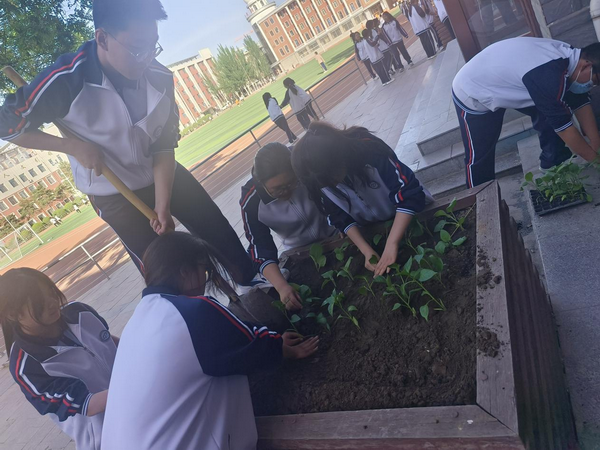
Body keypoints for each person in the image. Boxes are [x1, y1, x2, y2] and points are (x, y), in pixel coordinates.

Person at [0, 0, 258, 287]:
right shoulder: (65, 80)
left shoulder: (160, 78)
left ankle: (254, 281)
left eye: (153, 46)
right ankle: (192, 311)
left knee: (216, 228)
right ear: (102, 38)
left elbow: (163, 146)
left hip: (161, 172)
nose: (147, 58)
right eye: (137, 49)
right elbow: (7, 126)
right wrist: (73, 147)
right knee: (162, 269)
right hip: (113, 194)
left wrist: (162, 205)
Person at [101, 232, 319, 450]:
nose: (206, 280)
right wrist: (282, 348)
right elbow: (254, 346)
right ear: (185, 272)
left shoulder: (136, 322)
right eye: (204, 270)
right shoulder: (193, 311)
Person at [452, 38, 600, 188]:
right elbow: (565, 129)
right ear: (587, 65)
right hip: (473, 89)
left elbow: (580, 103)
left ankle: (553, 164)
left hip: (505, 78)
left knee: (552, 111)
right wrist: (596, 162)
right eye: (596, 80)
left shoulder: (572, 59)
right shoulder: (548, 74)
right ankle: (479, 197)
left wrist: (596, 146)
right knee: (479, 156)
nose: (593, 85)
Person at [291, 122, 432, 277]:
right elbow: (339, 217)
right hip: (375, 227)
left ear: (339, 158)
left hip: (413, 215)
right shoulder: (318, 179)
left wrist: (392, 244)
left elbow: (409, 193)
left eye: (331, 178)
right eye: (325, 183)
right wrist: (366, 251)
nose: (333, 184)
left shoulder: (370, 151)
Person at [0, 268, 118, 450]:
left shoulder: (79, 311)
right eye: (39, 302)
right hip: (108, 438)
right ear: (13, 314)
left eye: (51, 292)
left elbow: (109, 341)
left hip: (139, 405)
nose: (52, 302)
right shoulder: (27, 365)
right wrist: (135, 388)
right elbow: (88, 404)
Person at [240, 143, 337, 310]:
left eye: (291, 183)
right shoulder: (251, 199)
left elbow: (334, 196)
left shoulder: (304, 166)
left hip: (335, 235)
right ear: (262, 184)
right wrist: (281, 286)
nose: (285, 191)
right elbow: (259, 246)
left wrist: (342, 224)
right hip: (298, 252)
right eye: (277, 189)